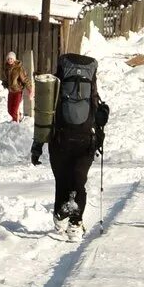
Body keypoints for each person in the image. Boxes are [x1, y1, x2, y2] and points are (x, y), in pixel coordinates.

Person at [47, 52, 107, 233]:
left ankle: (59, 216)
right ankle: (75, 224)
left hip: (60, 139)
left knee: (62, 180)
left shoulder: (57, 87)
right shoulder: (91, 90)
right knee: (79, 180)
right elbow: (98, 113)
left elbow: (45, 113)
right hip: (85, 140)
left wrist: (37, 145)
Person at [1, 49, 28, 122]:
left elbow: (25, 79)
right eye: (8, 59)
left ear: (14, 59)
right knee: (10, 110)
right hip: (10, 91)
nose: (10, 60)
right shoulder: (6, 69)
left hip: (18, 91)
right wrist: (5, 83)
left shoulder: (19, 68)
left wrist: (30, 89)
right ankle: (18, 117)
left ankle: (16, 122)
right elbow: (6, 78)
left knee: (14, 110)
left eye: (11, 58)